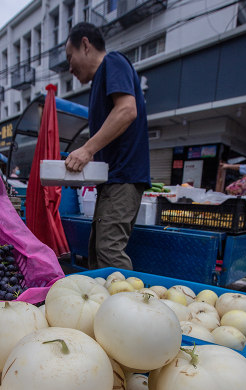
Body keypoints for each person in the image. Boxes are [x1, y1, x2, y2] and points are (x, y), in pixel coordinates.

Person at [64, 22, 150, 270]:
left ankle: (130, 307)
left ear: (86, 45)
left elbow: (126, 110)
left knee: (108, 250)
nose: (70, 68)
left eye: (71, 58)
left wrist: (87, 149)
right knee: (97, 252)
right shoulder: (98, 82)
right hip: (113, 180)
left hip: (124, 177)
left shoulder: (113, 62)